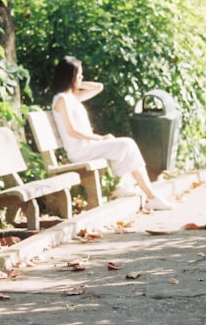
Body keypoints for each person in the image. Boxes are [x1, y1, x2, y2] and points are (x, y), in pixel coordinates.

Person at [50, 56, 174, 211]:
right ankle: (146, 194)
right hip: (80, 151)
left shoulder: (72, 98)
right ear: (70, 76)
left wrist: (78, 83)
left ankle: (139, 191)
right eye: (79, 74)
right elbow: (72, 131)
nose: (82, 77)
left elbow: (98, 87)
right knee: (127, 144)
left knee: (128, 145)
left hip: (89, 146)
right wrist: (100, 137)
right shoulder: (62, 100)